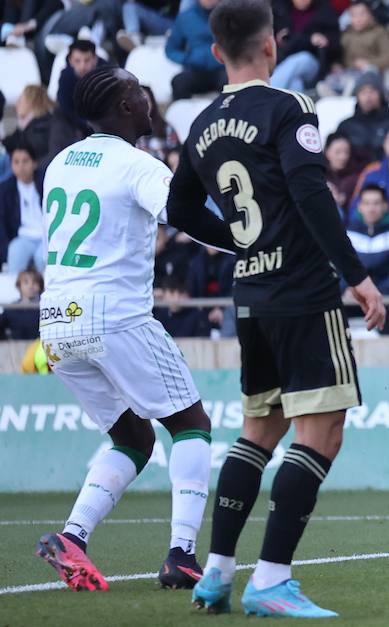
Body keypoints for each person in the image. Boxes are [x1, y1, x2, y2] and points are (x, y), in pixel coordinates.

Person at [168, 0, 384, 617]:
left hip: (252, 297)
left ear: (214, 52)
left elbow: (179, 209)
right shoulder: (288, 106)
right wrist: (357, 277)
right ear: (272, 44)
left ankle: (214, 573)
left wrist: (241, 241)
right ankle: (270, 578)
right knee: (322, 432)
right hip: (304, 293)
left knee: (258, 431)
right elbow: (311, 194)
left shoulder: (202, 123)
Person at [33, 69, 232, 593]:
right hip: (114, 313)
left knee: (132, 436)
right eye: (140, 95)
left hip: (57, 320)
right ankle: (182, 554)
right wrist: (248, 243)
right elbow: (184, 214)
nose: (149, 102)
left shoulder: (60, 164)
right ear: (124, 107)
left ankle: (73, 537)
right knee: (190, 422)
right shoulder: (137, 163)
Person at [166, 0, 227, 100]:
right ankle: (180, 118)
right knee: (179, 82)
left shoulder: (232, 17)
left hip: (223, 70)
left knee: (236, 86)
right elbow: (171, 49)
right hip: (196, 70)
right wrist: (187, 58)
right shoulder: (185, 17)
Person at [345, 184, 389, 301]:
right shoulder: (347, 234)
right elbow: (341, 271)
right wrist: (349, 290)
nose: (371, 208)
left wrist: (373, 293)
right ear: (359, 207)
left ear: (386, 206)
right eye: (367, 203)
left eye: (376, 203)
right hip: (352, 298)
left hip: (386, 299)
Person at [0, 145, 45, 273]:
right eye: (16, 162)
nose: (21, 167)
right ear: (11, 165)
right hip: (23, 236)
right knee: (14, 253)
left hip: (45, 237)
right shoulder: (5, 189)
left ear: (34, 163)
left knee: (43, 259)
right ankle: (17, 293)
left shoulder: (45, 182)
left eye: (25, 161)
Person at [335, 72, 389, 162]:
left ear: (381, 94)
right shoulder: (346, 126)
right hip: (353, 174)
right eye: (363, 92)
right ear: (357, 96)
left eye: (372, 91)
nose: (368, 96)